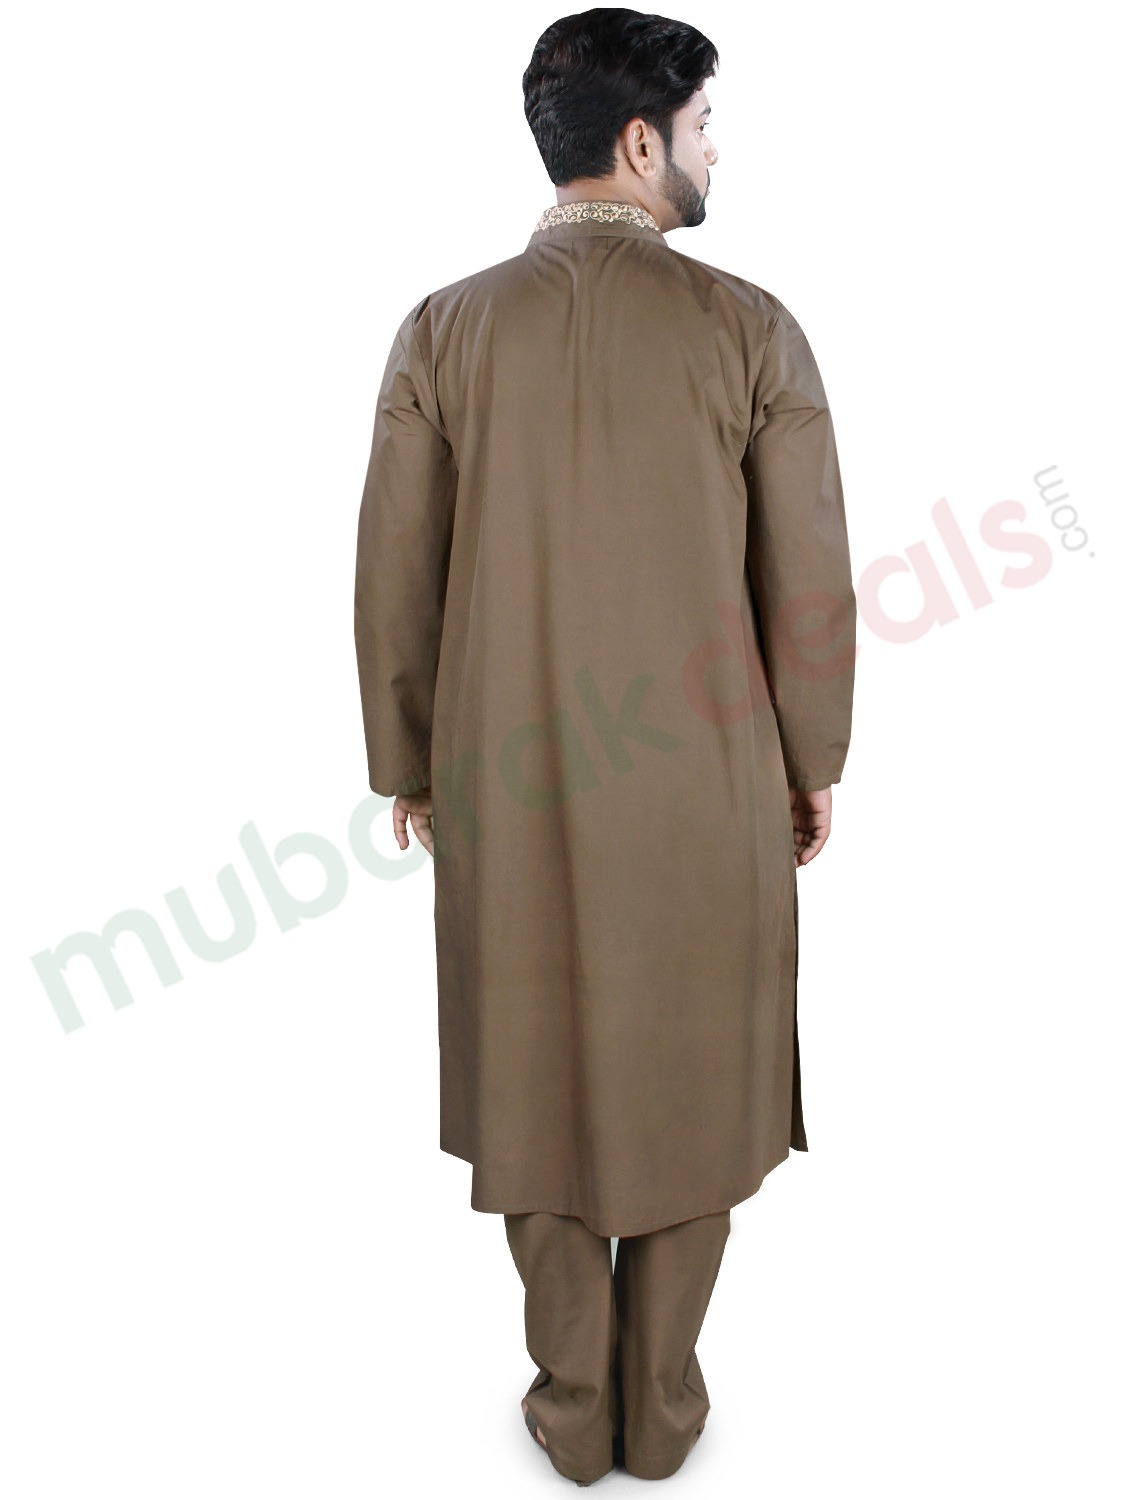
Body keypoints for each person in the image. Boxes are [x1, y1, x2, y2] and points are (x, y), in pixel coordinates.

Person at [353, 7, 856, 1485]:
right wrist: (812, 757)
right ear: (641, 143)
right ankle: (664, 1402)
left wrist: (406, 762)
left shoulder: (443, 330)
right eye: (703, 128)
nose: (715, 153)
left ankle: (572, 1404)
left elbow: (394, 572)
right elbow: (808, 580)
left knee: (533, 1067)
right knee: (703, 1064)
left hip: (505, 792)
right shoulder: (750, 327)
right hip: (709, 784)